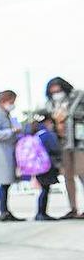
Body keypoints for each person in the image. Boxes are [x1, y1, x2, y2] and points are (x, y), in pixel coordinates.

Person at [46, 77, 83, 218]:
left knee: (82, 173)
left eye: (58, 90)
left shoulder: (78, 97)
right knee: (68, 176)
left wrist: (69, 116)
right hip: (62, 144)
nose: (56, 93)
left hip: (79, 143)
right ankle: (73, 208)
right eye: (53, 91)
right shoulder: (50, 104)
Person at [0, 90, 23, 222]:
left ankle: (6, 210)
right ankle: (4, 211)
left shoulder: (6, 113)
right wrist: (12, 131)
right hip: (1, 153)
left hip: (8, 151)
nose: (13, 105)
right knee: (4, 183)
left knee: (6, 184)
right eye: (11, 102)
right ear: (4, 101)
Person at [27, 115, 62, 221]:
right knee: (45, 190)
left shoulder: (35, 135)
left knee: (44, 189)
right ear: (47, 122)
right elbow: (55, 148)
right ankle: (41, 213)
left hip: (37, 166)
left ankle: (40, 213)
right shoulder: (48, 135)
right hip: (47, 166)